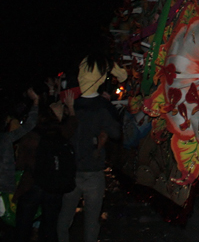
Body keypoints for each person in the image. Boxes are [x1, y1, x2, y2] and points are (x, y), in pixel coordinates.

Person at [57, 53, 122, 242]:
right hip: (93, 171)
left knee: (65, 217)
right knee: (92, 220)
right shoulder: (102, 107)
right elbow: (116, 133)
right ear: (101, 78)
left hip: (72, 170)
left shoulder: (71, 106)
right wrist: (109, 107)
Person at [15, 91, 76, 242]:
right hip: (53, 185)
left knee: (23, 226)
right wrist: (71, 107)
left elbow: (20, 163)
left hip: (32, 184)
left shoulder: (32, 135)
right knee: (50, 226)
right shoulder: (61, 133)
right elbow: (73, 125)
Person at [0, 89, 39, 197]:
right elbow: (29, 126)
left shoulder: (5, 138)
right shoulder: (5, 139)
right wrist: (36, 102)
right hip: (4, 188)